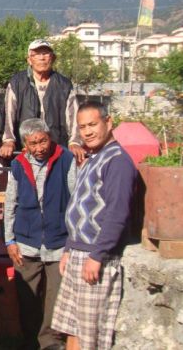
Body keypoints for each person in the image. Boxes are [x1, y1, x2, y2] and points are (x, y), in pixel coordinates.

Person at [51, 102, 136, 350]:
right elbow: (80, 206)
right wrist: (69, 247)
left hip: (95, 255)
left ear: (108, 122)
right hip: (78, 251)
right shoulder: (92, 158)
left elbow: (117, 212)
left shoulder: (118, 161)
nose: (87, 132)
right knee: (73, 327)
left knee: (90, 335)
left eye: (92, 125)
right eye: (82, 127)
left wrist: (97, 255)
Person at [4, 118, 76, 350]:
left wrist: (73, 242)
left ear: (50, 136)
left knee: (55, 299)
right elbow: (10, 204)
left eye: (42, 141)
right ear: (25, 144)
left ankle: (51, 343)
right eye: (32, 143)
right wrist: (9, 240)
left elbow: (75, 201)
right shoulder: (18, 164)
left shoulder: (66, 159)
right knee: (27, 299)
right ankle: (29, 341)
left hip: (59, 243)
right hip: (26, 243)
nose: (39, 148)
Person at [0, 39, 86, 164]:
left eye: (46, 53)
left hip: (55, 149)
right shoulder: (17, 82)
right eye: (37, 54)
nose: (42, 58)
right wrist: (8, 140)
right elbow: (9, 113)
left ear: (53, 58)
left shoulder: (64, 84)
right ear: (29, 60)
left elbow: (73, 116)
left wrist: (75, 142)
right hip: (25, 149)